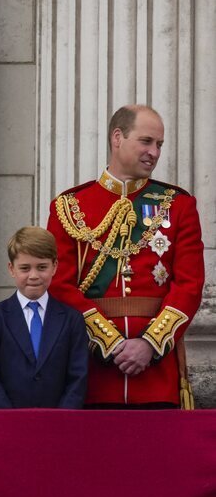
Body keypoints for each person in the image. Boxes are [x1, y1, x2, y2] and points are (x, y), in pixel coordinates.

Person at [46, 105, 204, 408]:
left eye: (159, 144)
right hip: (92, 375)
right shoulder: (69, 206)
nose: (154, 152)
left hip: (156, 375)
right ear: (117, 137)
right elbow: (59, 285)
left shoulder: (178, 205)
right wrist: (110, 343)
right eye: (146, 141)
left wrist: (149, 344)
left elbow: (189, 285)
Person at [0, 227, 88, 408]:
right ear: (12, 269)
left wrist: (62, 418)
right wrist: (8, 419)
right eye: (25, 268)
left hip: (58, 423)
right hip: (8, 424)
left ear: (54, 267)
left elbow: (78, 376)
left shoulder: (71, 319)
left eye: (42, 267)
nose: (33, 276)